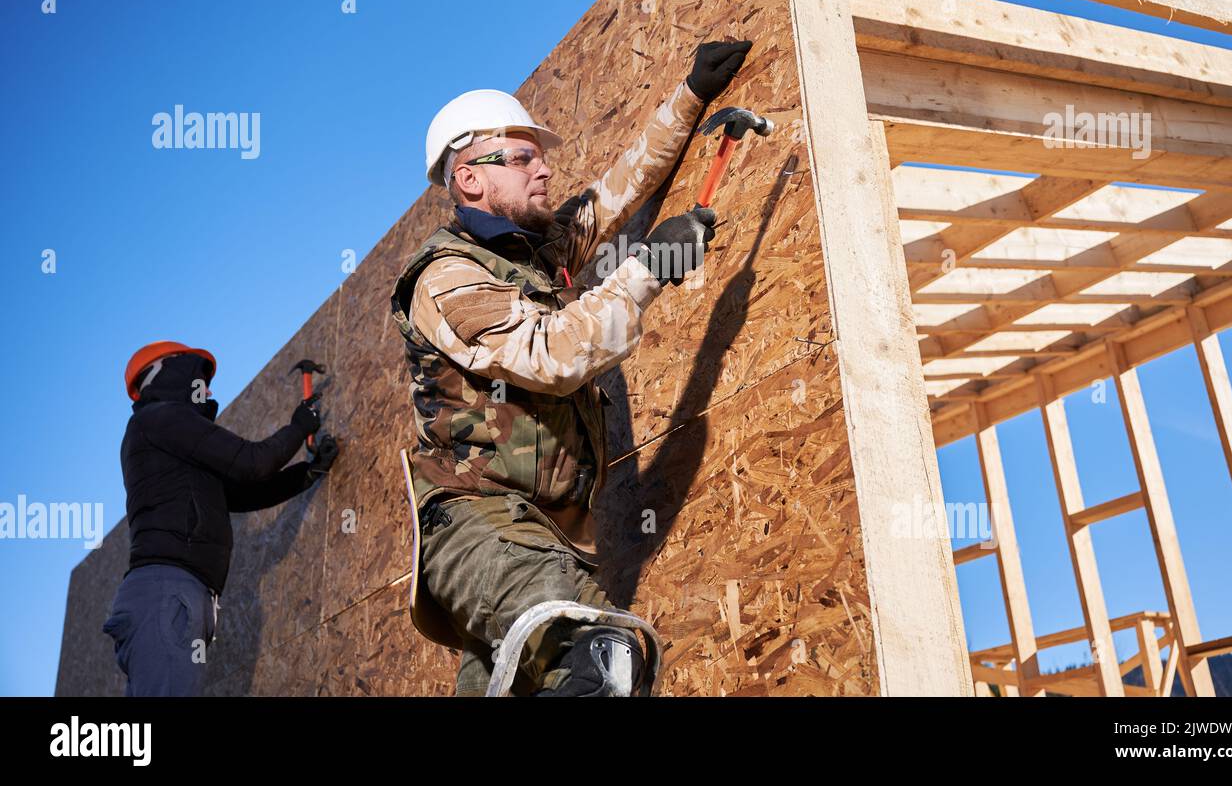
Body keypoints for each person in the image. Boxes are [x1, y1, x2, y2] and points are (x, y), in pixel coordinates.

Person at [392, 40, 751, 695]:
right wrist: (650, 268)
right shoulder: (447, 277)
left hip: (541, 540)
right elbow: (551, 355)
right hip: (480, 526)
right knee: (601, 655)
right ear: (469, 176)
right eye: (523, 157)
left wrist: (691, 95)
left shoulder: (536, 252)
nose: (543, 170)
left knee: (575, 674)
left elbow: (621, 188)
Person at [102, 341, 339, 696]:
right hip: (169, 594)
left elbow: (240, 492)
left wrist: (306, 472)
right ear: (170, 370)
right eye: (200, 378)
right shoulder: (161, 418)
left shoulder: (163, 435)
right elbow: (252, 462)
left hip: (175, 595)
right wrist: (298, 426)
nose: (208, 390)